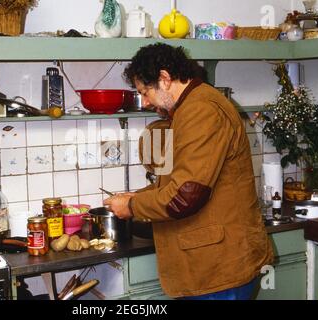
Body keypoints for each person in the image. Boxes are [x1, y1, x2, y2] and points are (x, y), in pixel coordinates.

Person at [104, 43, 274, 300]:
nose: (146, 101)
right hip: (210, 269)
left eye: (145, 92)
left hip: (218, 272)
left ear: (164, 78)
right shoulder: (188, 109)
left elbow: (184, 196)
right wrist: (134, 196)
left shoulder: (201, 110)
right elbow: (178, 179)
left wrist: (133, 206)